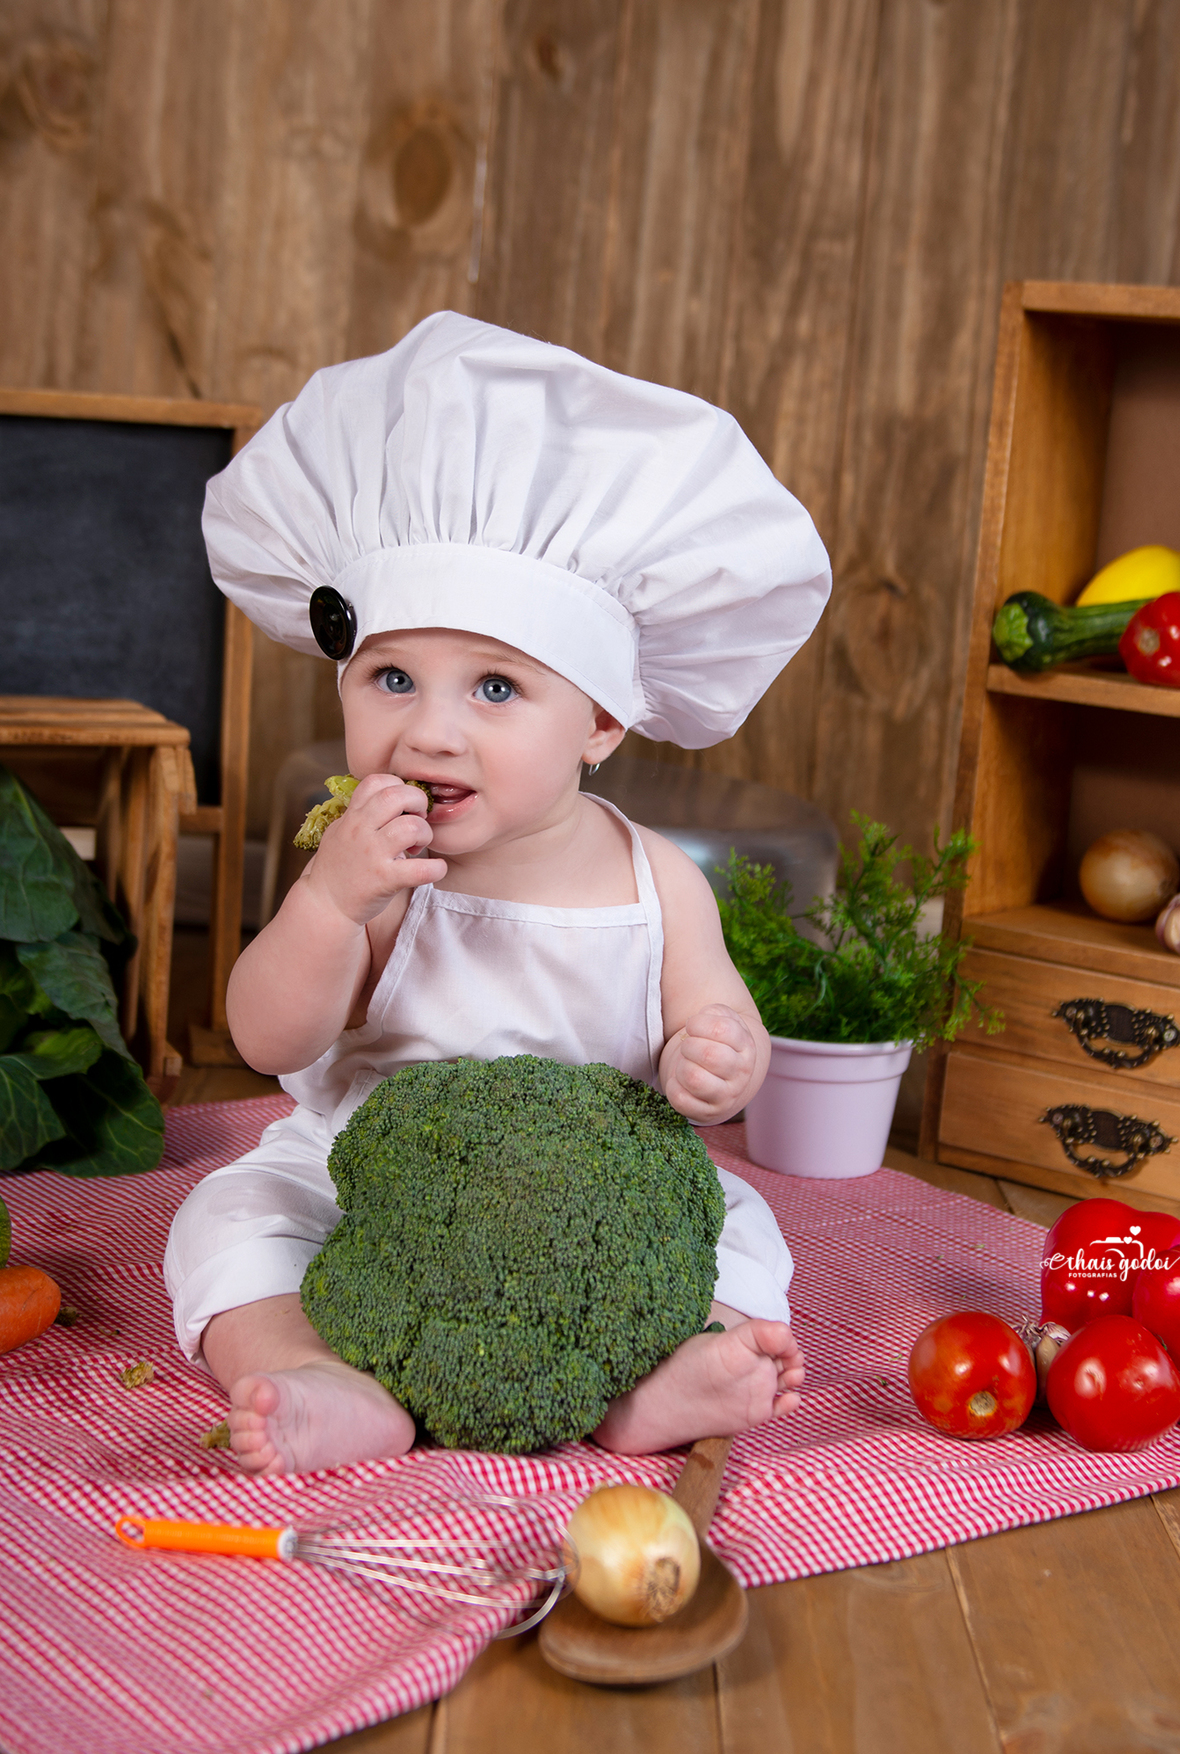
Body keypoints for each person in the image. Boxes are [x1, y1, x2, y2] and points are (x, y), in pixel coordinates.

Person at [165, 312, 832, 1476]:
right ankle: (327, 1376)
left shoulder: (656, 878)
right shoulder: (370, 862)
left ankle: (650, 1383)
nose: (429, 729)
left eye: (493, 686)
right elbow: (266, 1034)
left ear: (603, 722)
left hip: (597, 1195)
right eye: (389, 676)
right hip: (365, 1173)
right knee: (230, 1225)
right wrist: (328, 904)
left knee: (735, 1249)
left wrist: (719, 1058)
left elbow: (721, 1028)